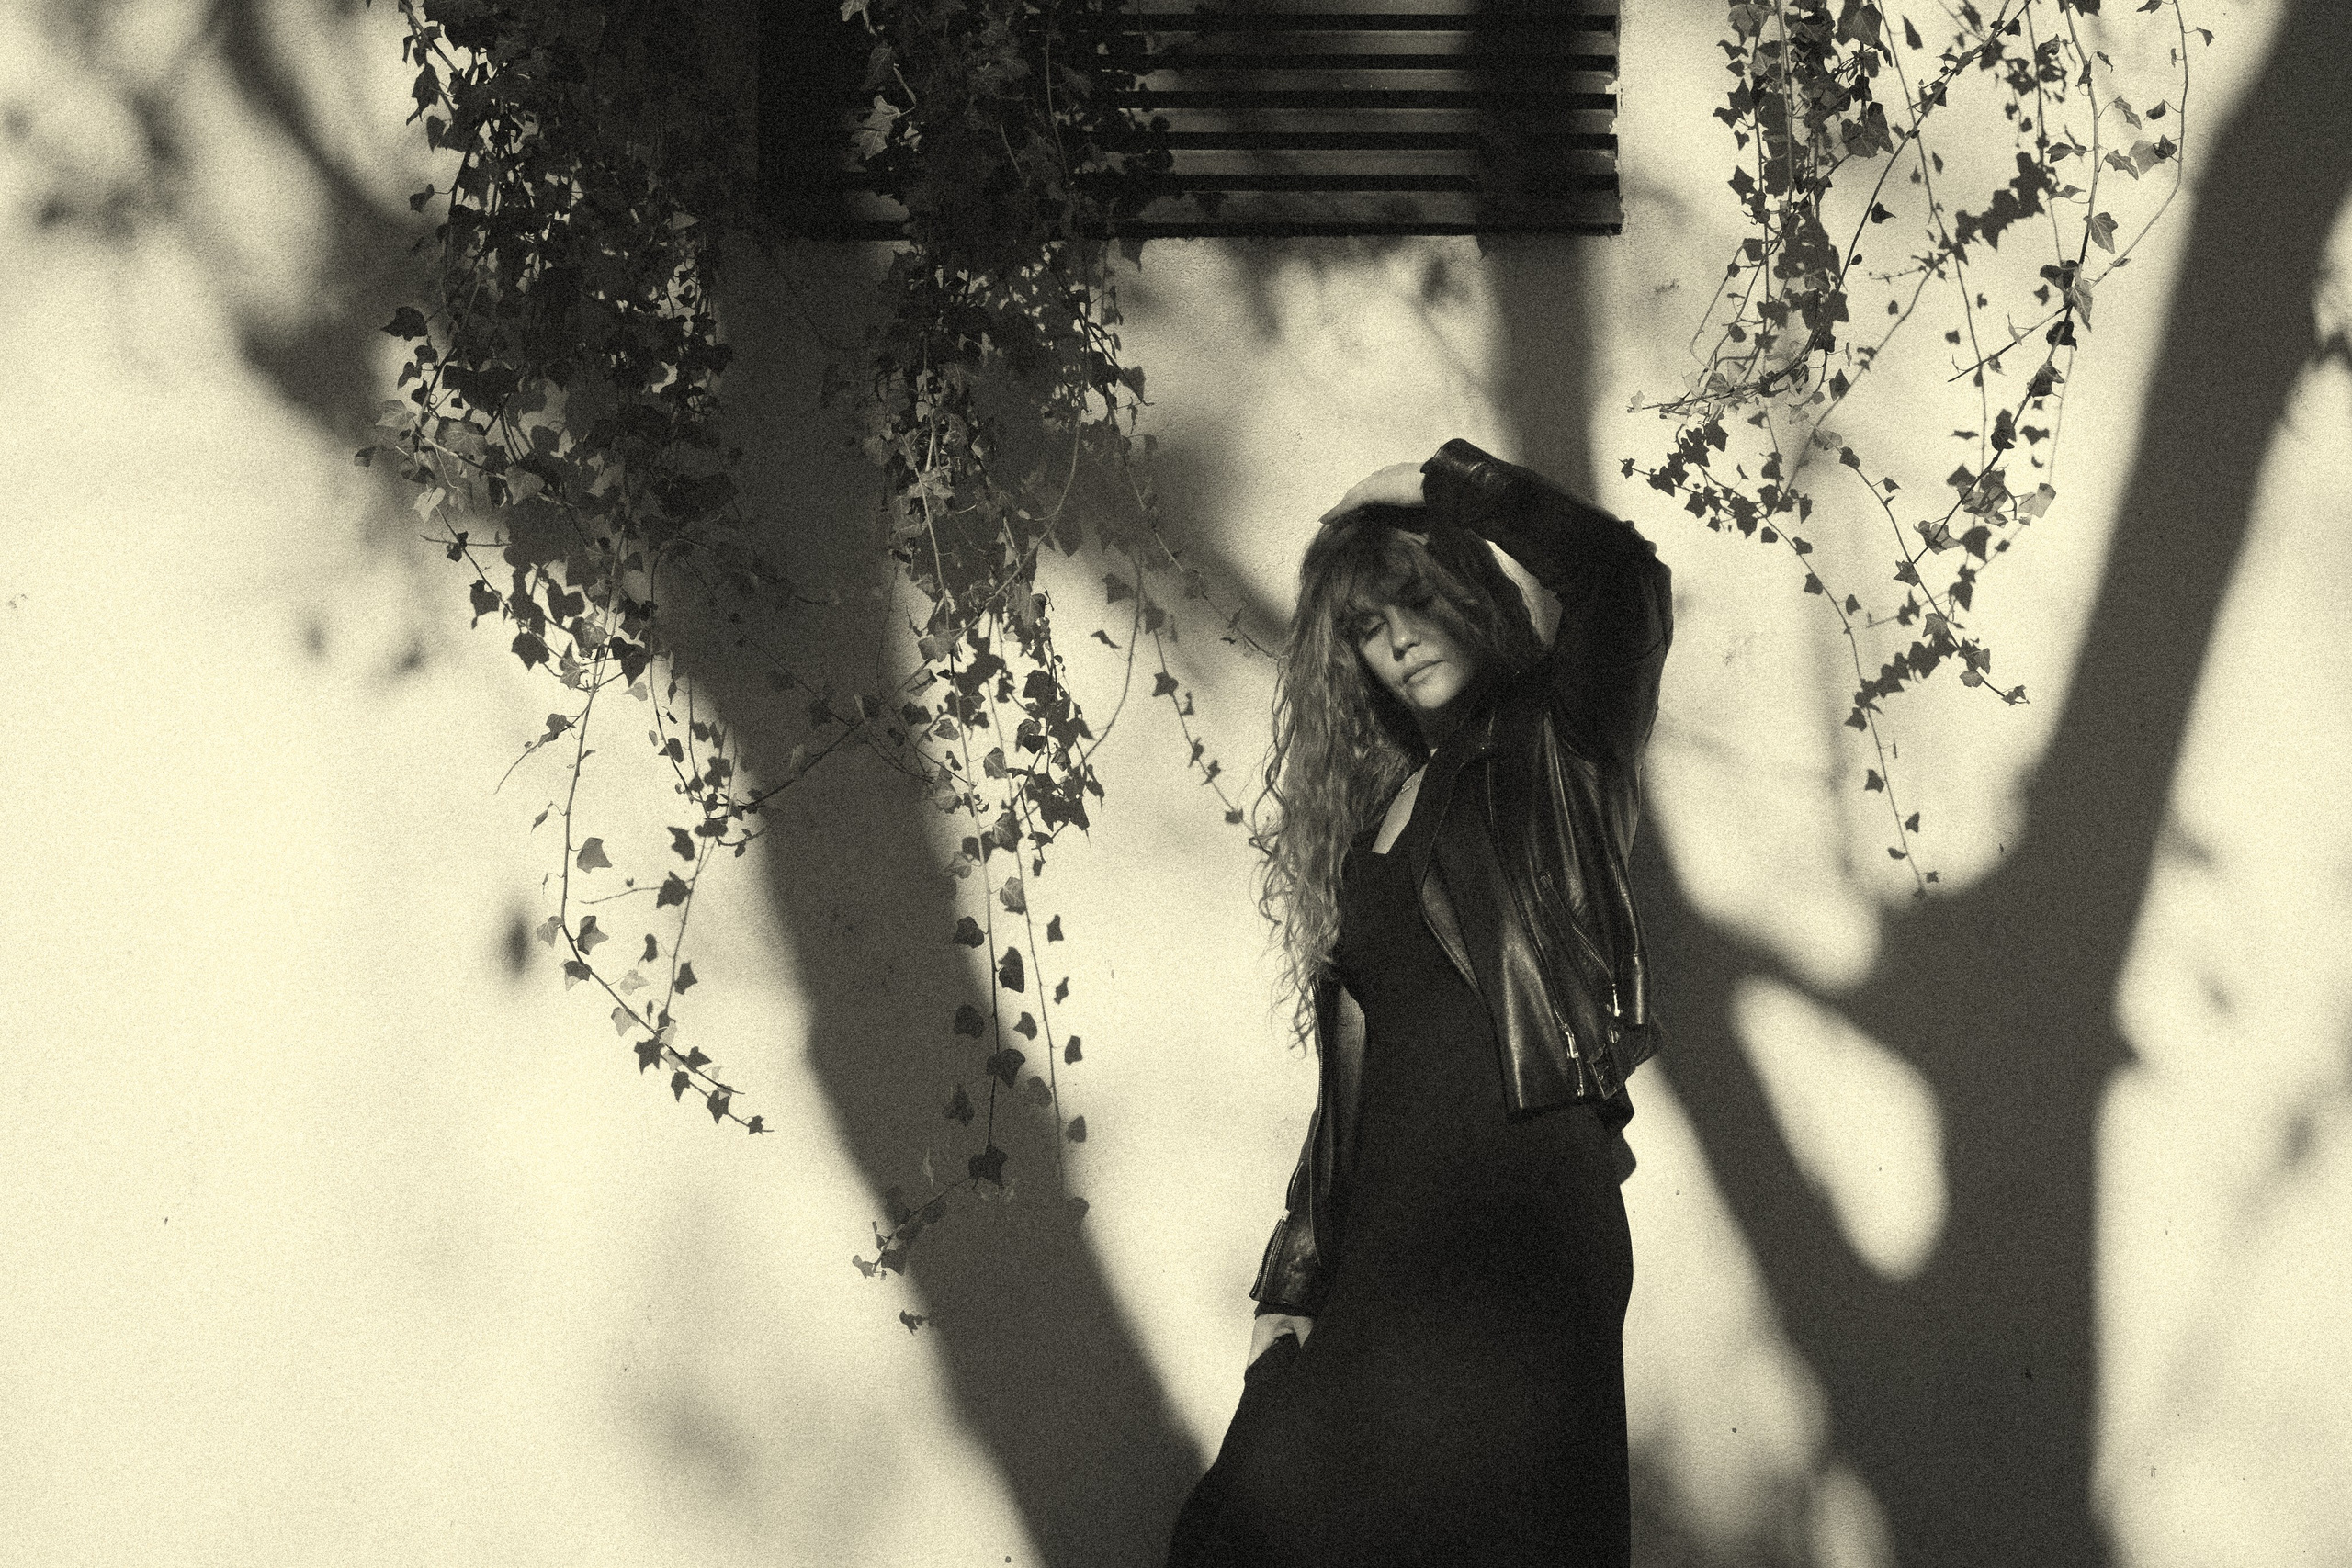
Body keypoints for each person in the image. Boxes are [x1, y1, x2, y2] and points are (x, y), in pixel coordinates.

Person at [1165, 438, 1673, 1568]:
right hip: (1394, 1225)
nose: (1393, 639)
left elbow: (1622, 579)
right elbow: (1350, 1081)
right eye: (1364, 628)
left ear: (1470, 595)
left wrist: (1439, 485)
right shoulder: (1378, 827)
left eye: (1411, 601)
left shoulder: (1556, 745)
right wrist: (1295, 1276)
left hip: (1523, 1209)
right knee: (1247, 1530)